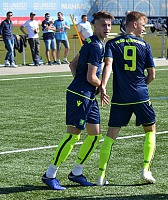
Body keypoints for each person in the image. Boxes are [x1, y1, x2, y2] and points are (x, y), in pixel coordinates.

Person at [41, 10, 114, 190]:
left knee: (95, 135)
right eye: (103, 25)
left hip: (87, 95)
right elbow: (91, 76)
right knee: (73, 135)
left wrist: (81, 83)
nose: (107, 28)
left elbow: (72, 64)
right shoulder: (96, 46)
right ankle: (50, 174)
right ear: (94, 25)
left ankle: (76, 172)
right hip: (81, 95)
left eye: (109, 25)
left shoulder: (91, 42)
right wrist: (101, 86)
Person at [97, 11, 157, 186]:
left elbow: (108, 65)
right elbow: (152, 75)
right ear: (134, 24)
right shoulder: (144, 45)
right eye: (143, 25)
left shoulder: (112, 43)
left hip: (120, 97)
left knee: (110, 136)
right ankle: (146, 169)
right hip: (140, 95)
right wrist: (141, 87)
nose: (144, 29)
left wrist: (103, 85)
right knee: (150, 130)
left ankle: (101, 175)